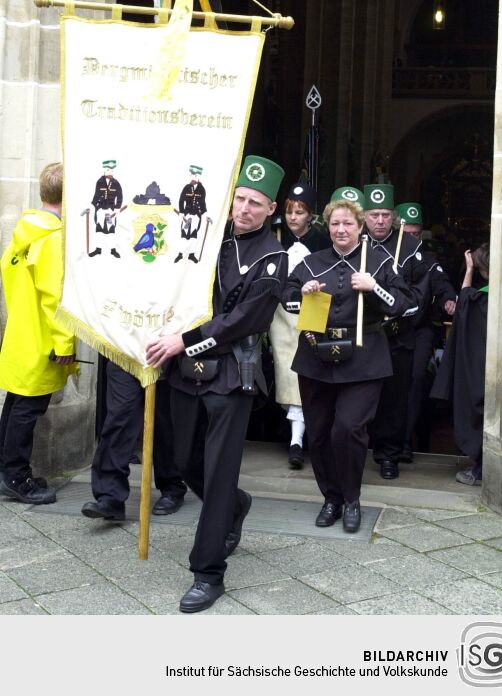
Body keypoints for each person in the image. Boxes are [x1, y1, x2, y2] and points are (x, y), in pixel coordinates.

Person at [146, 155, 287, 613]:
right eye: (240, 199)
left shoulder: (274, 258)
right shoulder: (210, 241)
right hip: (186, 369)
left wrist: (183, 340)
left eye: (255, 203)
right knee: (184, 461)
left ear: (272, 209)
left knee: (219, 471)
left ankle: (208, 573)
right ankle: (233, 505)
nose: (244, 209)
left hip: (232, 374)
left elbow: (241, 320)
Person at [282, 188, 417, 534]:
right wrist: (304, 292)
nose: (341, 230)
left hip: (364, 359)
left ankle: (352, 499)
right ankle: (331, 498)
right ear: (328, 228)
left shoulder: (380, 262)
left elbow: (404, 304)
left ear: (361, 226)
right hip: (315, 356)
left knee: (349, 428)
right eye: (335, 224)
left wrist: (373, 288)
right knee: (321, 434)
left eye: (348, 224)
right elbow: (286, 298)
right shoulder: (312, 262)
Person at [0, 162, 77, 505]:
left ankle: (5, 471)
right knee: (26, 410)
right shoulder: (53, 238)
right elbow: (54, 298)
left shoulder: (27, 228)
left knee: (16, 404)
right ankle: (16, 476)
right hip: (43, 340)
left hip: (21, 333)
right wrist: (65, 343)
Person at [362, 183, 429, 480]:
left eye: (385, 215)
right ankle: (355, 451)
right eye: (374, 214)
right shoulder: (354, 242)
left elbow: (420, 295)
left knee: (393, 399)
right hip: (362, 334)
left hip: (397, 336)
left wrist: (401, 309)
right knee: (359, 397)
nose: (379, 221)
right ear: (364, 216)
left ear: (394, 217)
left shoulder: (411, 246)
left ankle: (388, 455)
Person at [269, 179, 328, 469]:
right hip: (282, 311)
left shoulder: (321, 240)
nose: (293, 217)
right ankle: (294, 437)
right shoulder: (275, 237)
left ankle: (304, 437)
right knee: (286, 369)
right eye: (290, 211)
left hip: (313, 307)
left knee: (309, 368)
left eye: (300, 212)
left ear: (310, 215)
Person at [81, 364, 187, 521]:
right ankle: (111, 496)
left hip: (165, 356)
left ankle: (172, 486)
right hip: (124, 352)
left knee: (164, 422)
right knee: (119, 418)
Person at [394, 202, 457, 462]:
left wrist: (449, 300)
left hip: (419, 331)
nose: (411, 238)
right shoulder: (383, 256)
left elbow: (442, 284)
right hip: (388, 332)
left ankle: (406, 442)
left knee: (416, 380)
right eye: (406, 233)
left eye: (416, 234)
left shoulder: (428, 261)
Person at [430, 244, 489, 485]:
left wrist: (468, 270)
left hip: (479, 368)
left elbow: (463, 302)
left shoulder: (480, 299)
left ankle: (480, 471)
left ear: (483, 270)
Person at [89, 159, 123, 258]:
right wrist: (92, 205)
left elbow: (120, 197)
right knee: (99, 229)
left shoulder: (116, 183)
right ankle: (98, 249)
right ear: (104, 170)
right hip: (100, 210)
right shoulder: (99, 182)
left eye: (112, 170)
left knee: (111, 230)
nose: (110, 172)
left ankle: (113, 250)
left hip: (109, 212)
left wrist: (117, 208)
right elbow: (96, 195)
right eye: (108, 169)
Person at [174, 165, 207, 264]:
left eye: (195, 175)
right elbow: (181, 200)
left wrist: (205, 213)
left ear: (198, 176)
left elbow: (202, 202)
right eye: (192, 175)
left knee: (193, 234)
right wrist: (181, 212)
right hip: (187, 215)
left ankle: (191, 255)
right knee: (184, 234)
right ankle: (180, 254)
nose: (192, 177)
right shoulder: (187, 187)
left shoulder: (202, 189)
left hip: (196, 215)